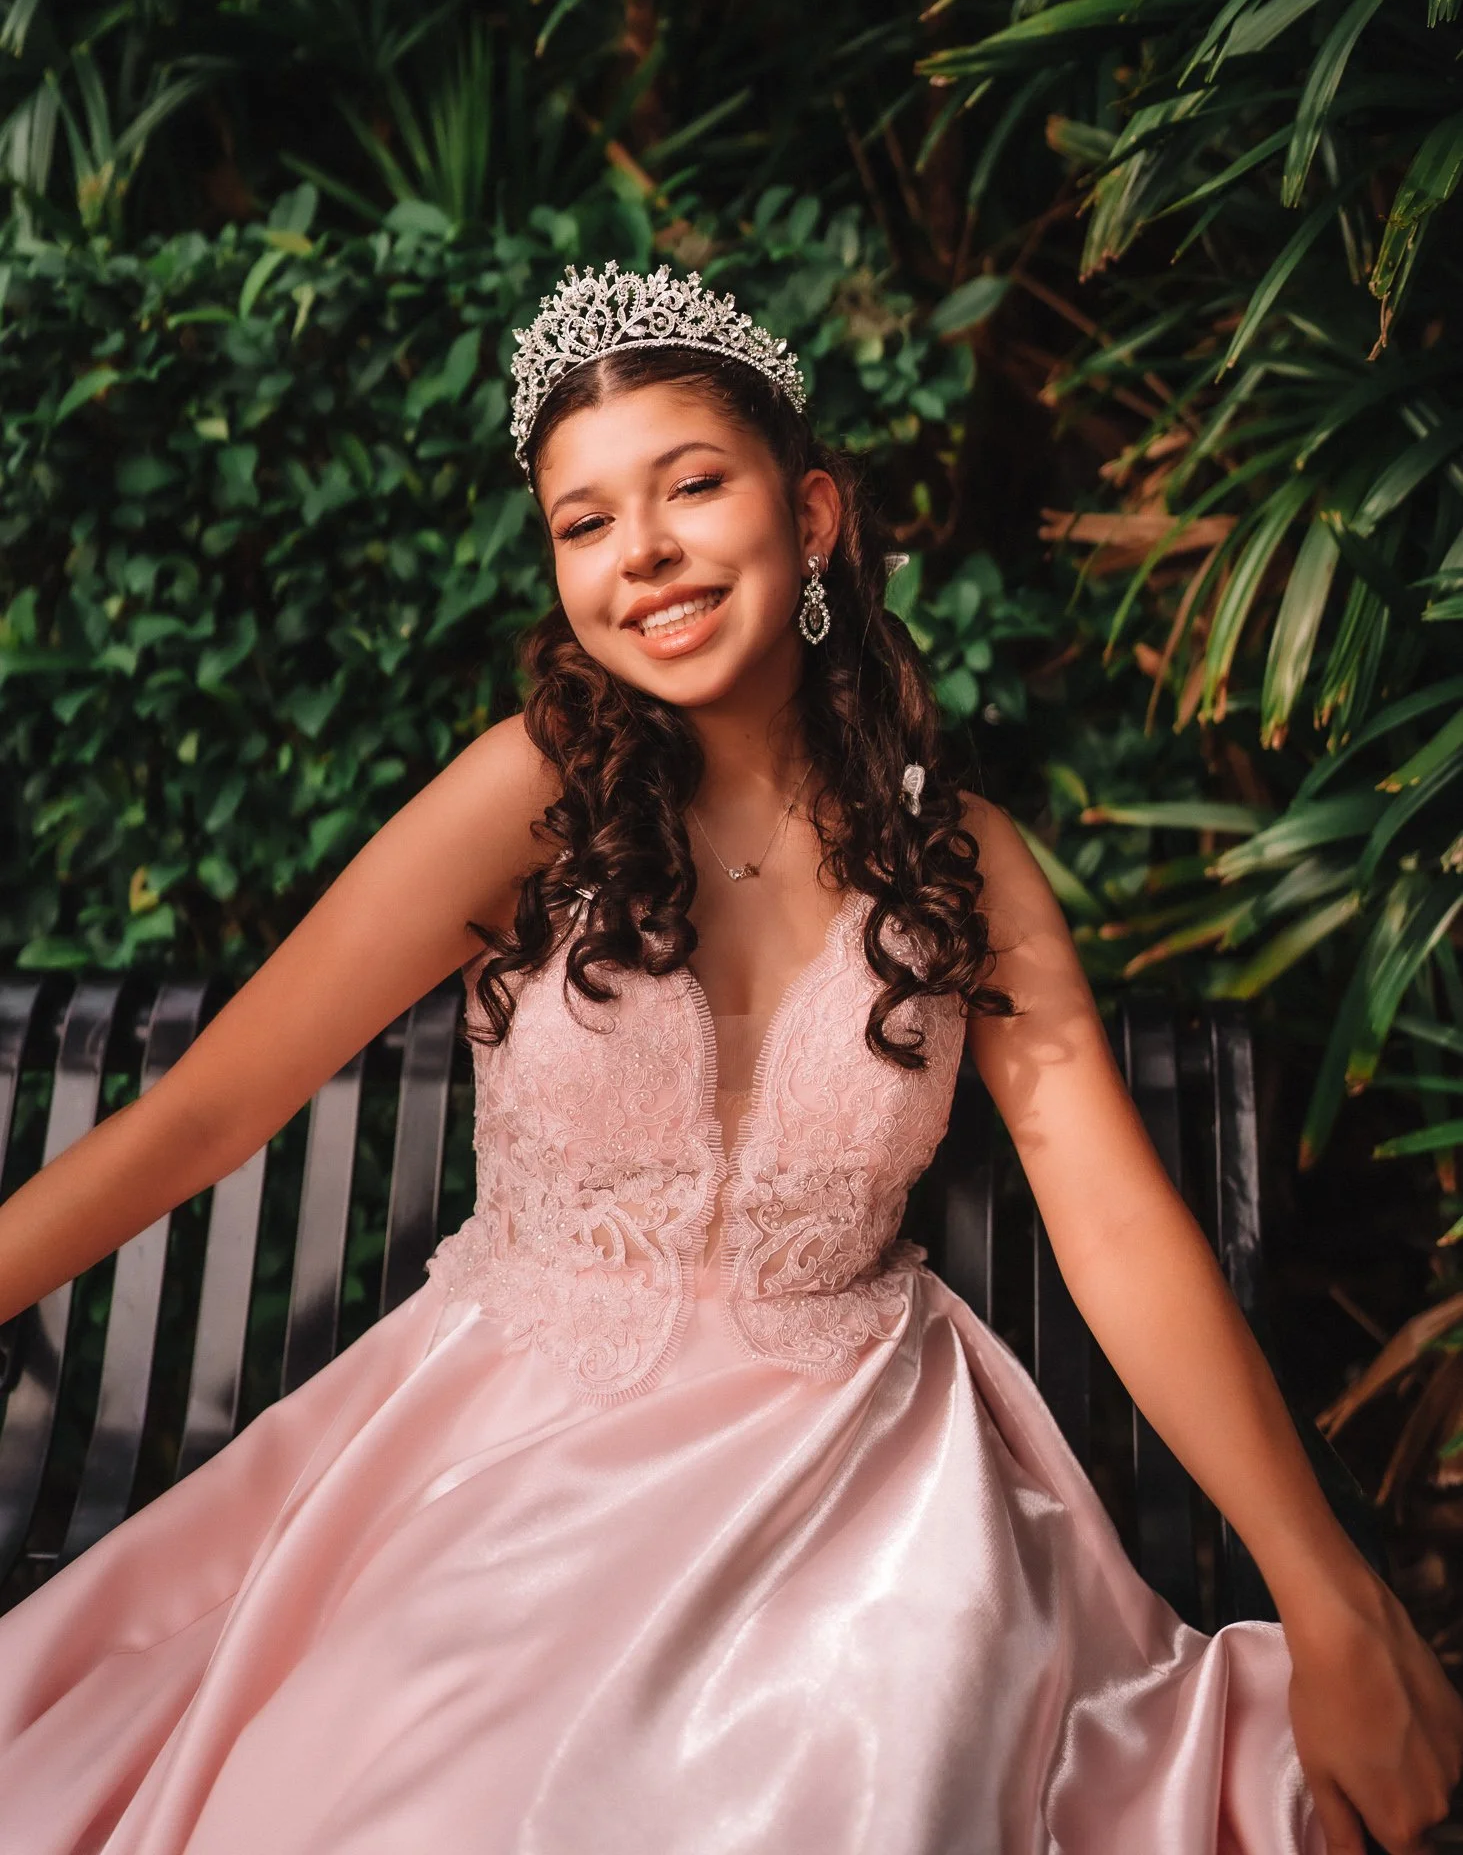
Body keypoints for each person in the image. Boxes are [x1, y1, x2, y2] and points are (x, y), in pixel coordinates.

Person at [0, 260, 1456, 1855]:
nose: (645, 555)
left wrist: (1327, 1597)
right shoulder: (527, 797)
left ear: (812, 512)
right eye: (584, 521)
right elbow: (215, 1105)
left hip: (867, 1494)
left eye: (692, 485)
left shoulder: (960, 859)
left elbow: (1111, 1229)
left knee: (890, 1762)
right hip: (509, 1458)